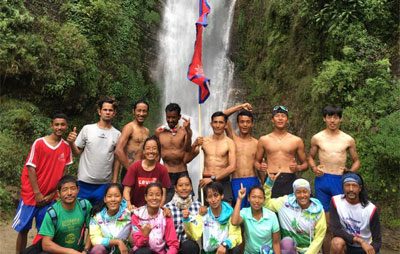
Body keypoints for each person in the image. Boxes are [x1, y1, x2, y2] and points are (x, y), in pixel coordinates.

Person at [13, 113, 73, 254]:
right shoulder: (39, 143)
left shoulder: (66, 146)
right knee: (23, 229)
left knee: (45, 232)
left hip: (50, 197)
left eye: (62, 124)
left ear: (66, 126)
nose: (59, 127)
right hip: (31, 195)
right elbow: (30, 167)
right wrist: (37, 193)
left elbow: (64, 173)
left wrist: (53, 193)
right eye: (56, 124)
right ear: (51, 125)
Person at [308, 105, 360, 253]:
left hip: (339, 180)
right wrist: (314, 168)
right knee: (325, 224)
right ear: (324, 118)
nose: (333, 120)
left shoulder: (348, 139)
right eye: (329, 117)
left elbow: (356, 161)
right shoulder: (317, 138)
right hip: (322, 180)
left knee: (342, 221)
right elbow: (310, 157)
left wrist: (350, 172)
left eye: (336, 117)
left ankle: (342, 249)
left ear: (340, 119)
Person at [67, 97, 121, 205]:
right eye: (105, 109)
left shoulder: (117, 134)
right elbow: (77, 153)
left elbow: (117, 160)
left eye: (110, 110)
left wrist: (114, 182)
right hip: (83, 183)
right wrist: (71, 143)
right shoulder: (88, 129)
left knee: (98, 218)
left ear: (114, 113)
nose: (107, 112)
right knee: (81, 216)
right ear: (99, 111)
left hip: (103, 184)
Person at [264, 173, 327, 254]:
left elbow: (319, 237)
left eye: (305, 192)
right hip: (290, 249)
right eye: (298, 192)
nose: (302, 195)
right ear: (294, 193)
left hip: (310, 250)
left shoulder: (318, 210)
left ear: (309, 192)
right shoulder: (284, 203)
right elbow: (266, 203)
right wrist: (269, 184)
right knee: (286, 242)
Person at [255, 105, 308, 198]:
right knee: (270, 209)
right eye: (277, 116)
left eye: (283, 116)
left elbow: (305, 164)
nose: (280, 118)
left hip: (289, 179)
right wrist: (260, 167)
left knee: (290, 209)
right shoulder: (264, 140)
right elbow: (256, 162)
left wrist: (297, 168)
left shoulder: (296, 140)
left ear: (287, 119)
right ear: (272, 119)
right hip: (271, 178)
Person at [330, 172, 381, 254]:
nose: (351, 189)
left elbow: (377, 240)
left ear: (360, 188)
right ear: (343, 187)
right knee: (336, 243)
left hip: (364, 248)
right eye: (347, 185)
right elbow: (335, 229)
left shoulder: (370, 209)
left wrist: (372, 249)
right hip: (347, 245)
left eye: (354, 185)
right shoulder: (336, 201)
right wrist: (359, 240)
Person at [183, 182, 242, 254]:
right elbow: (194, 235)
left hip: (225, 250)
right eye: (210, 196)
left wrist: (225, 244)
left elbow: (236, 235)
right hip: (208, 252)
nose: (213, 199)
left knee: (236, 249)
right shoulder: (204, 213)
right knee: (188, 245)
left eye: (216, 195)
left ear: (222, 196)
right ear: (206, 199)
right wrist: (186, 220)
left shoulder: (230, 213)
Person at [39, 175, 92, 253]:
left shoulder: (84, 205)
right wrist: (70, 252)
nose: (69, 193)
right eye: (65, 190)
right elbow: (46, 244)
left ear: (78, 190)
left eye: (73, 189)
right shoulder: (52, 212)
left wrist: (86, 250)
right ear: (58, 193)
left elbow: (93, 229)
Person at [223, 103, 260, 208]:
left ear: (252, 124)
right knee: (238, 211)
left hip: (253, 180)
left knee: (254, 211)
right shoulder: (232, 138)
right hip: (236, 181)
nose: (245, 125)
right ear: (238, 124)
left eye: (248, 122)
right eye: (242, 122)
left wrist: (264, 184)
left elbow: (260, 166)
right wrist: (241, 106)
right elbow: (223, 115)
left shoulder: (257, 143)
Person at [194, 111, 236, 204]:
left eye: (221, 122)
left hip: (223, 181)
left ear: (225, 125)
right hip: (205, 180)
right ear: (211, 124)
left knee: (226, 211)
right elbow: (188, 158)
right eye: (215, 122)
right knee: (203, 211)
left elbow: (232, 167)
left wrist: (213, 178)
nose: (217, 125)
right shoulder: (204, 141)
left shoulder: (230, 143)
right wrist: (194, 144)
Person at [156, 103, 193, 202]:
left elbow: (188, 149)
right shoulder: (160, 132)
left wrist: (188, 131)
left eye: (173, 117)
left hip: (181, 172)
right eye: (168, 117)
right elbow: (156, 154)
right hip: (166, 172)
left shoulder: (184, 131)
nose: (170, 120)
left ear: (179, 117)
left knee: (187, 203)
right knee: (165, 201)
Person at [122, 136, 171, 210]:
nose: (151, 151)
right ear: (144, 151)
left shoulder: (162, 170)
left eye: (154, 148)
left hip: (154, 209)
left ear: (158, 151)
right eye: (148, 148)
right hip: (135, 208)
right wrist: (129, 205)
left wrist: (158, 209)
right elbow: (127, 190)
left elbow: (163, 194)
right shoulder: (134, 167)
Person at [231, 184, 281, 254]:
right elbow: (234, 222)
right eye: (253, 197)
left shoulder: (271, 216)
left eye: (260, 197)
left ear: (264, 199)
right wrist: (239, 199)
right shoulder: (245, 212)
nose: (257, 200)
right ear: (248, 198)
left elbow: (276, 243)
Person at [131, 182, 179, 254]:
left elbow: (173, 244)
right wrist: (145, 235)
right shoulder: (137, 215)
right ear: (145, 197)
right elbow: (137, 243)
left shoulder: (165, 215)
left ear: (162, 197)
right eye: (150, 195)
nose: (154, 198)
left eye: (158, 195)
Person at [165, 174, 203, 254]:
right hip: (171, 246)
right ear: (175, 188)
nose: (184, 188)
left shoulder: (198, 206)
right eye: (180, 185)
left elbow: (199, 228)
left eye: (187, 185)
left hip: (189, 246)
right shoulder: (167, 207)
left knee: (189, 246)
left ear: (191, 187)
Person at [89, 183, 131, 254]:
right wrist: (117, 242)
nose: (113, 199)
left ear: (121, 198)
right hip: (106, 250)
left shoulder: (129, 214)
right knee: (97, 249)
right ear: (105, 199)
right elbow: (95, 240)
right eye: (109, 196)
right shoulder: (97, 217)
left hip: (125, 251)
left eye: (117, 196)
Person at [115, 100, 150, 170]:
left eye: (144, 111)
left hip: (142, 169)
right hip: (129, 169)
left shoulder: (147, 131)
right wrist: (130, 170)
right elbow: (118, 150)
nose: (141, 114)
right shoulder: (129, 127)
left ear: (147, 113)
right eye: (139, 110)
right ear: (133, 111)